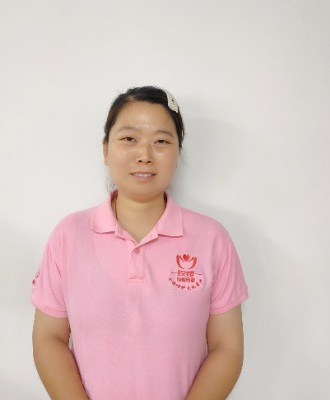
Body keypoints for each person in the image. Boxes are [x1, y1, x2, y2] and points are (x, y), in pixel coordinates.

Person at [31, 86, 249, 400]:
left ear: (178, 153)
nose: (144, 155)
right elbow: (49, 338)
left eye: (161, 141)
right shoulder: (69, 235)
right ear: (105, 149)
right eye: (129, 139)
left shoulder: (212, 239)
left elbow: (226, 347)